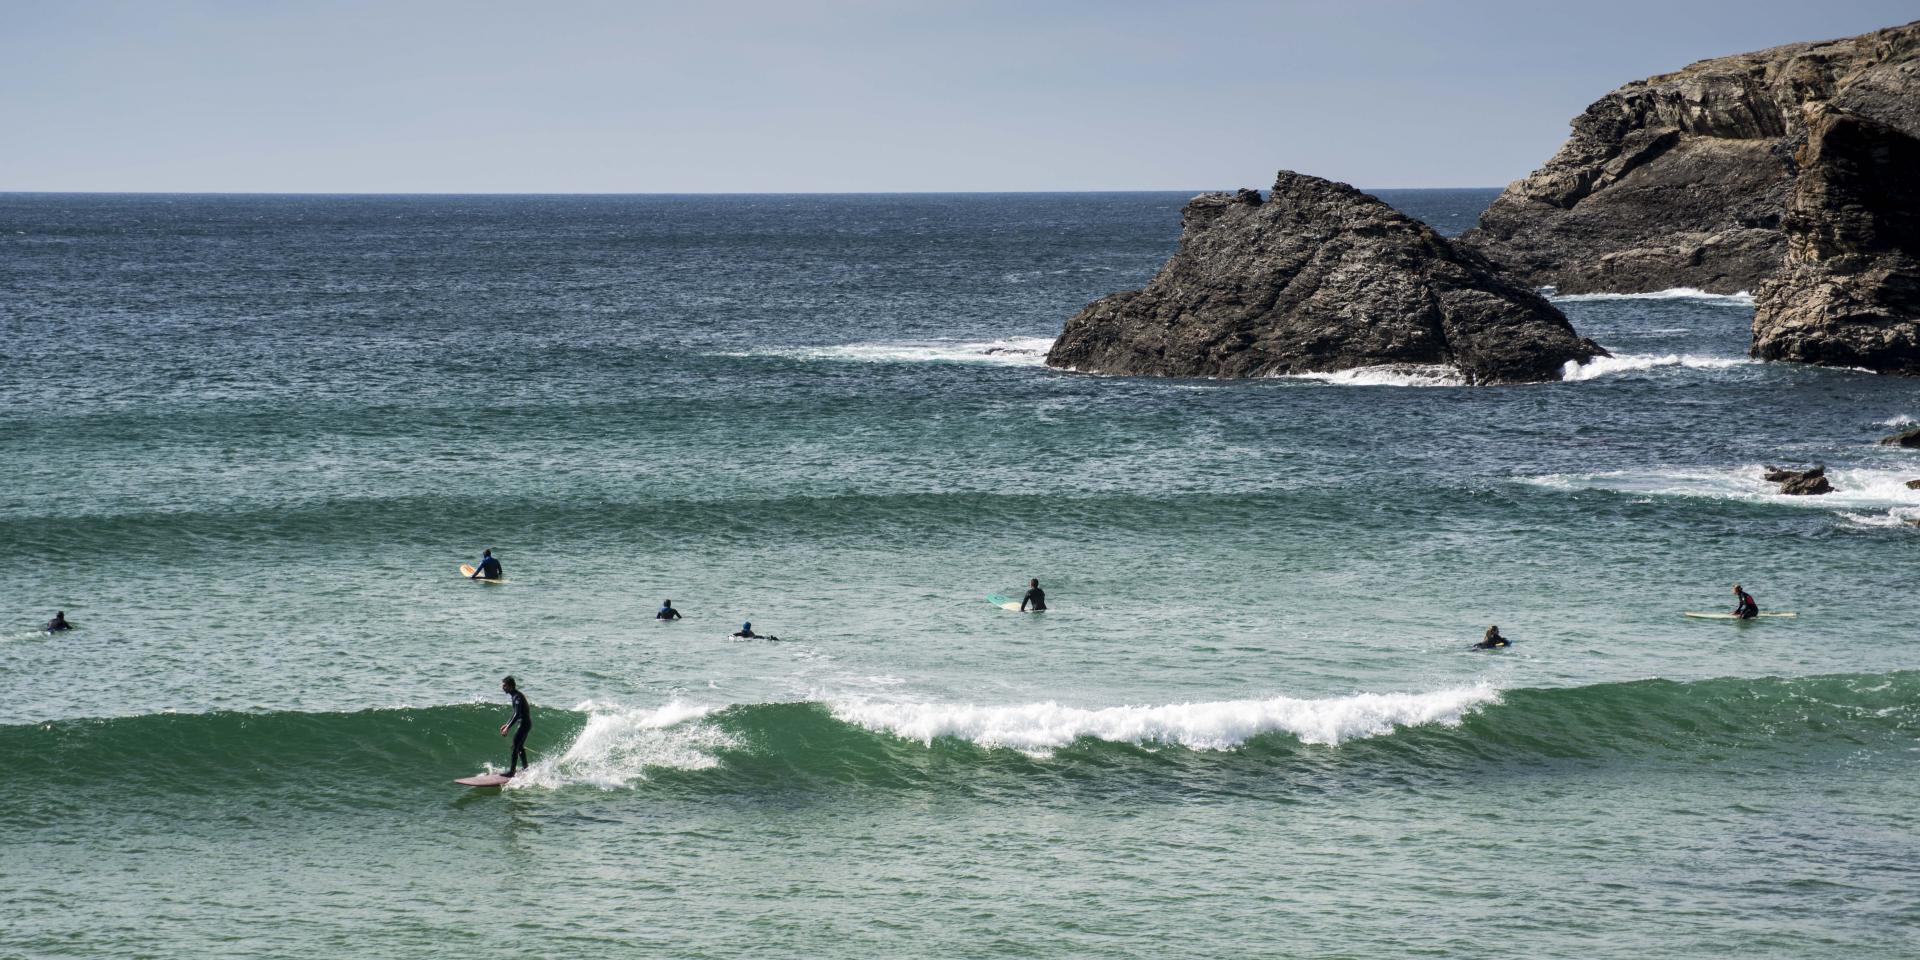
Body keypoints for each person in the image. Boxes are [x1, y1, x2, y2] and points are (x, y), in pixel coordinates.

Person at [498, 676, 532, 777]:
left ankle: (511, 772)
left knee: (515, 747)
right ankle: (526, 768)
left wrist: (507, 727)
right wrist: (507, 723)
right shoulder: (516, 695)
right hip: (525, 723)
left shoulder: (517, 697)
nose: (503, 687)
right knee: (519, 746)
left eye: (505, 686)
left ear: (511, 686)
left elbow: (517, 714)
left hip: (524, 724)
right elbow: (515, 714)